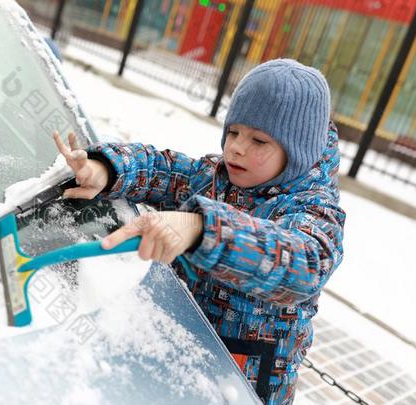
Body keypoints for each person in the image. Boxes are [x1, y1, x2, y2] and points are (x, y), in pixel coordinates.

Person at [53, 58, 345, 404]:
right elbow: (159, 167)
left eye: (259, 141)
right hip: (181, 354)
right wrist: (106, 169)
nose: (237, 147)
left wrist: (201, 227)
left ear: (299, 152)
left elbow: (303, 264)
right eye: (234, 131)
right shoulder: (212, 178)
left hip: (243, 382)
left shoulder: (314, 210)